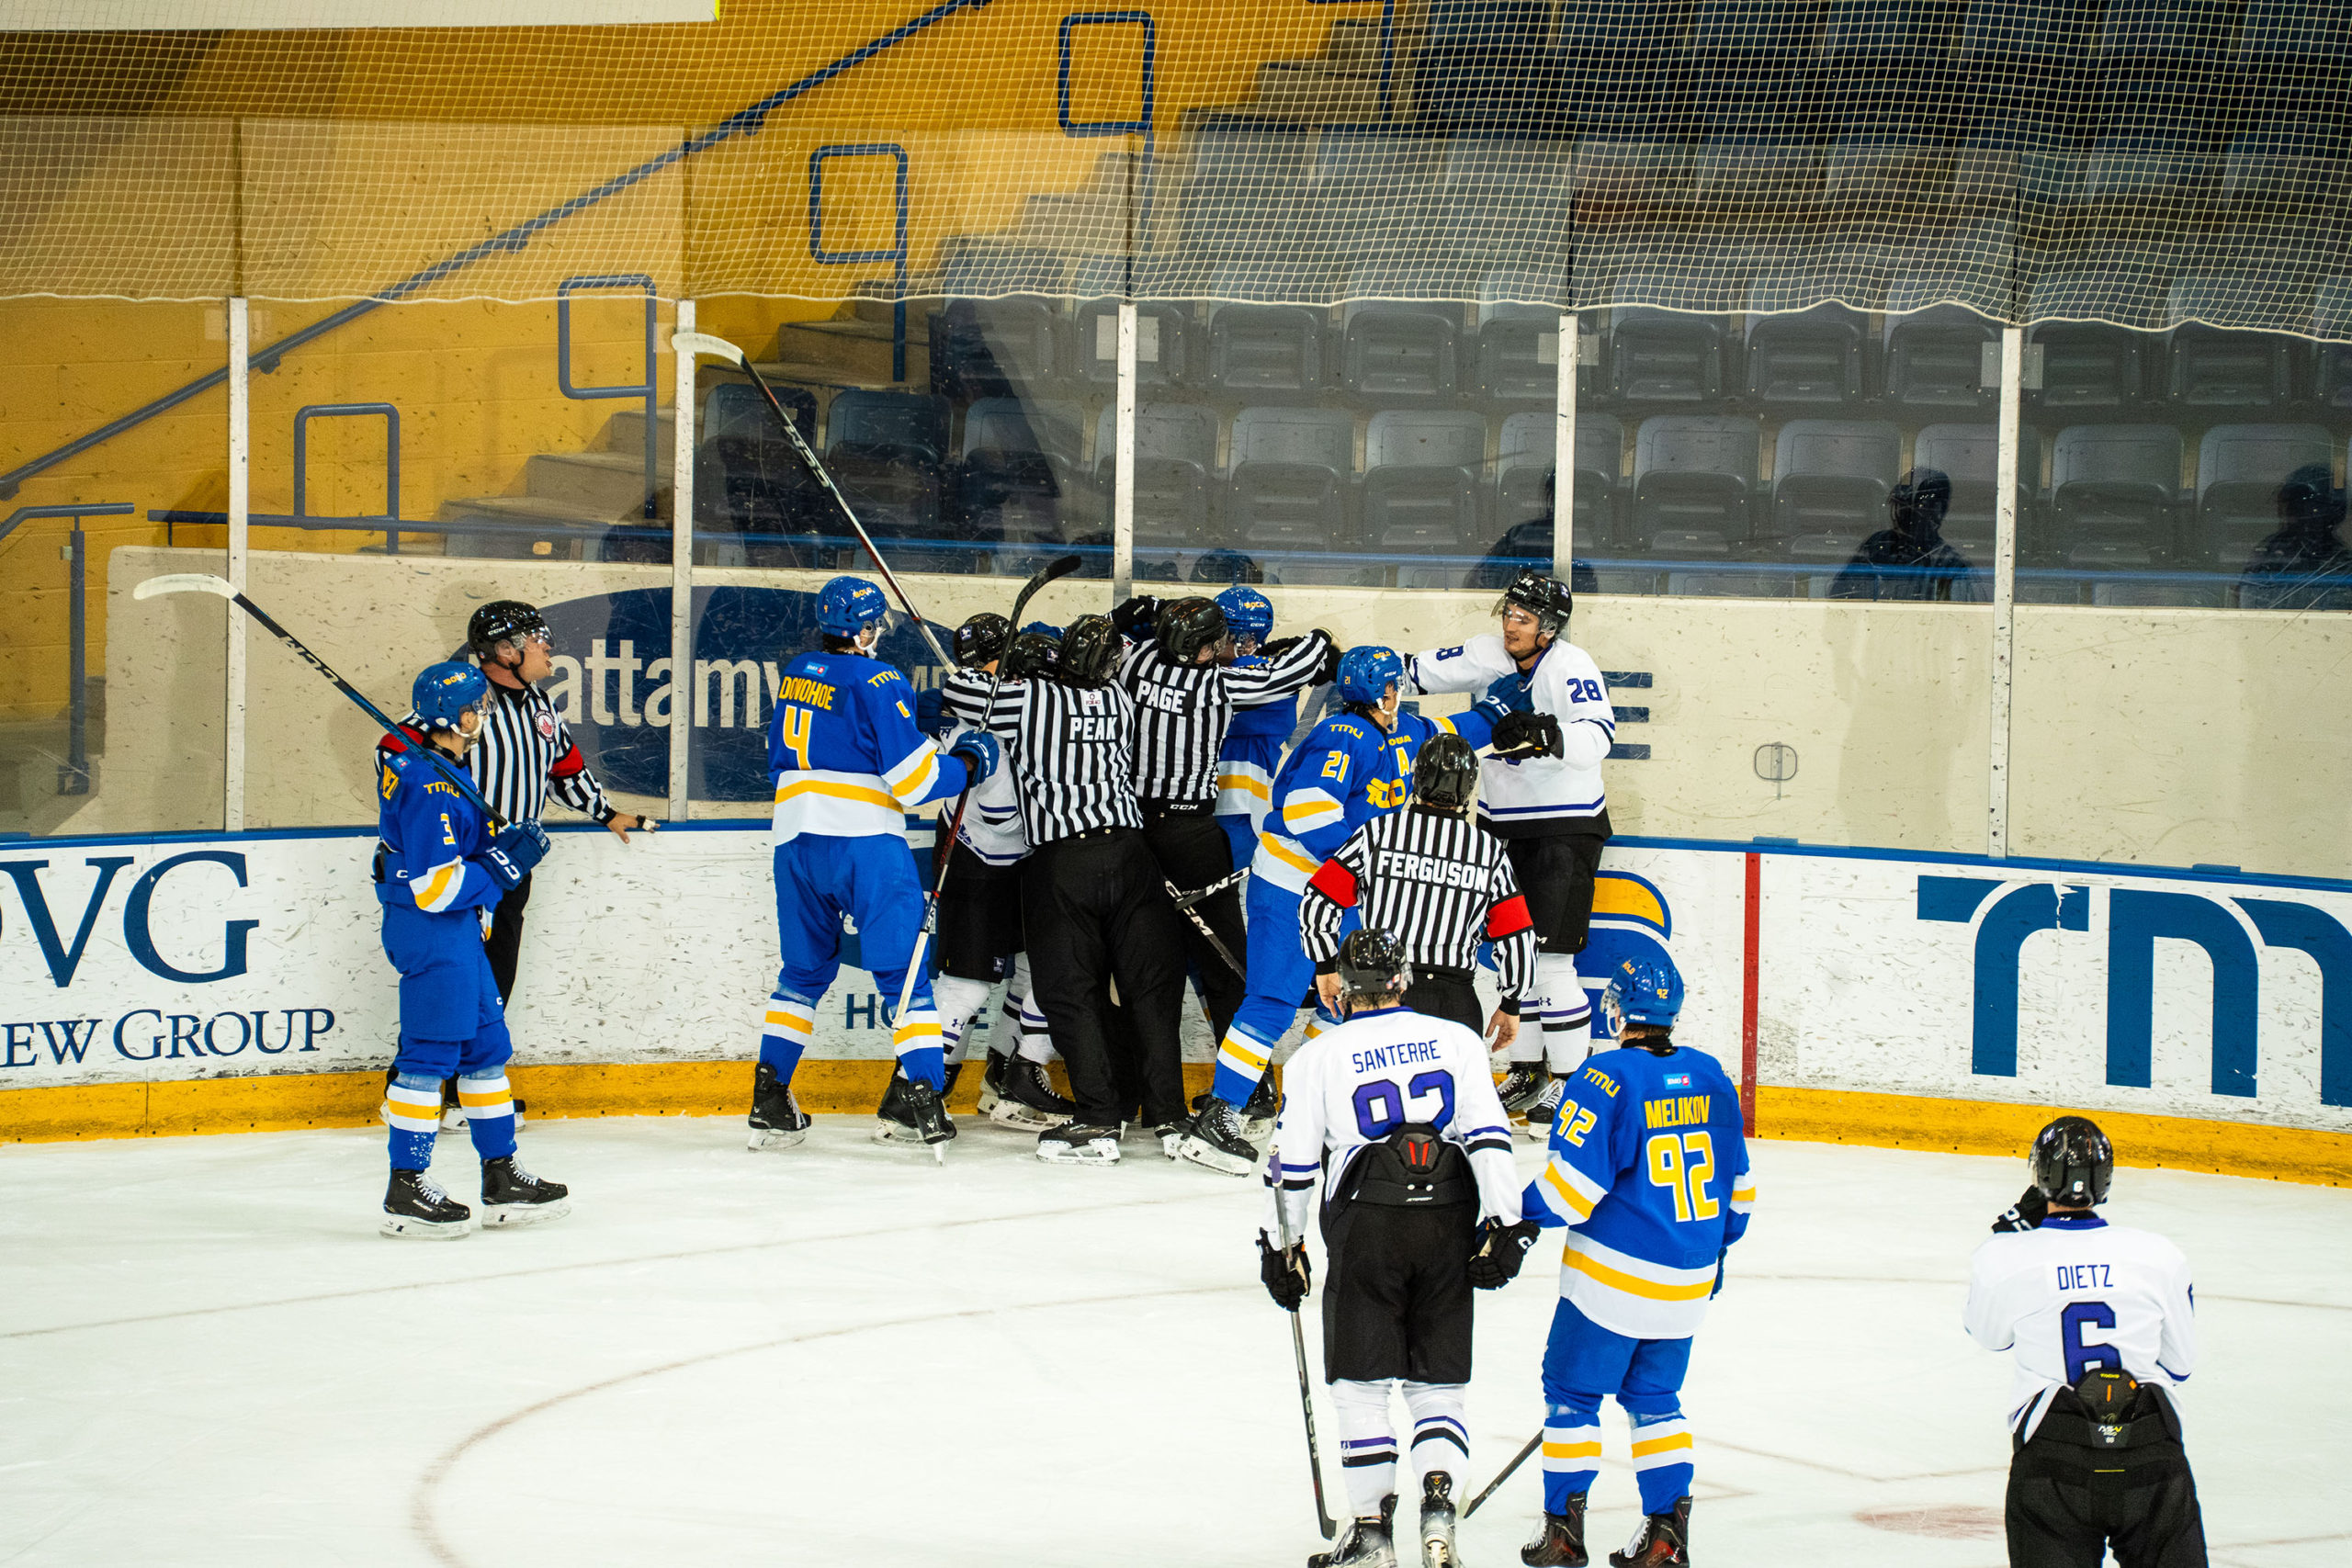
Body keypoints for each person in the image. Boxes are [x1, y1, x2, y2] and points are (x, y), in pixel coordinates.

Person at [1179, 646, 1532, 1178]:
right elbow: (1306, 810)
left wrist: (1511, 700)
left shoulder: (1406, 730)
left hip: (1346, 888)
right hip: (1293, 884)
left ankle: (1302, 1108)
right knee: (1273, 1001)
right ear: (1386, 691)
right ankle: (1218, 1114)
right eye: (1396, 686)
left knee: (1343, 1002)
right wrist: (1367, 864)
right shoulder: (1341, 736)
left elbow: (1458, 729)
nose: (1400, 694)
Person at [1259, 927, 1532, 1568]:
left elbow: (1292, 1167)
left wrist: (1283, 1245)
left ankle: (1371, 1533)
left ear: (1342, 991)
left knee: (1360, 1385)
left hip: (1367, 1222)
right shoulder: (1457, 1040)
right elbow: (1490, 1135)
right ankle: (1438, 1507)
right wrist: (1506, 1224)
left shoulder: (1316, 1057)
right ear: (1403, 980)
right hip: (1448, 1218)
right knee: (1437, 1386)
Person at [748, 575, 1002, 1154]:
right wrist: (967, 762)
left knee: (802, 976)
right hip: (865, 845)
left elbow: (809, 747)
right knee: (904, 979)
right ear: (864, 629)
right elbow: (915, 782)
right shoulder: (879, 676)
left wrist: (921, 711)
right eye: (875, 625)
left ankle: (768, 1096)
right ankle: (926, 1102)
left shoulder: (797, 671)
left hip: (795, 843)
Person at [1516, 953, 1753, 1568]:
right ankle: (1666, 1535)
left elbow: (1569, 1193)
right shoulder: (1714, 1076)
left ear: (1617, 1008)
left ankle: (1563, 1535)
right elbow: (1741, 1196)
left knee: (1571, 1395)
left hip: (1611, 1284)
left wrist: (1510, 1212)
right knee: (1656, 1400)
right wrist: (1713, 1257)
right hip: (1688, 1282)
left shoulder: (1606, 1076)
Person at [949, 613, 1193, 1165]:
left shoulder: (1030, 698)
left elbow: (963, 690)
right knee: (1150, 993)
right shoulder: (1121, 701)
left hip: (1063, 863)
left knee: (1071, 994)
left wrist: (999, 672)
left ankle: (1100, 1119)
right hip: (1132, 857)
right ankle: (1169, 1116)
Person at [1405, 570, 1617, 1130]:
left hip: (1562, 830)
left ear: (1549, 628)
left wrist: (1548, 732)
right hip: (1499, 831)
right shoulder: (1487, 654)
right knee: (1511, 957)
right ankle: (1528, 1070)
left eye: (1523, 618)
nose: (1511, 625)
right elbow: (1411, 673)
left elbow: (1599, 735)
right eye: (1508, 613)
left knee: (1550, 964)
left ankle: (1577, 1086)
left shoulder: (1571, 666)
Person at [373, 660, 569, 1237]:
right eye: (476, 708)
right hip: (432, 930)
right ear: (452, 717)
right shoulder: (427, 784)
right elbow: (436, 889)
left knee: (486, 1048)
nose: (483, 714)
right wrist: (505, 863)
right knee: (428, 1057)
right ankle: (405, 1188)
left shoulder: (441, 759)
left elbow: (399, 745)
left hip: (457, 932)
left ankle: (500, 1175)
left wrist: (494, 840)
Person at [1966, 1117, 2207, 1568]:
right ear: (2106, 1180)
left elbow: (1989, 1336)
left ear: (2039, 1180)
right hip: (2150, 1455)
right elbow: (2180, 1365)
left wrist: (2008, 1233)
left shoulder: (2004, 1257)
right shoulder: (2159, 1255)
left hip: (2054, 1456)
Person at [1112, 592, 1335, 1052]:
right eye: (1232, 637)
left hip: (1229, 839)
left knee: (1222, 965)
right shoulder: (1229, 682)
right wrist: (1308, 650)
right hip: (1189, 835)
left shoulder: (1163, 668)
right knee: (1171, 965)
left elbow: (1263, 705)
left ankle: (1244, 1086)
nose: (1241, 647)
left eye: (1254, 639)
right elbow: (1244, 689)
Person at [461, 600, 655, 1008]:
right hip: (460, 863)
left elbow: (565, 772)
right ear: (507, 651)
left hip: (512, 864)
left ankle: (475, 1069)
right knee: (453, 980)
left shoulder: (541, 706)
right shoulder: (462, 699)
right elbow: (398, 754)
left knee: (495, 984)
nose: (548, 647)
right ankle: (430, 1070)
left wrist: (604, 812)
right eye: (538, 640)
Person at [931, 612, 1072, 1130]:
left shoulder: (979, 703)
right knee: (966, 985)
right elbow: (1007, 820)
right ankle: (917, 1092)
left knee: (1040, 968)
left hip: (995, 862)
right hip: (982, 864)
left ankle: (1004, 1083)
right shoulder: (989, 725)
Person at [1300, 732, 1535, 1043]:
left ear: (1418, 777)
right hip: (1453, 1003)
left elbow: (1318, 900)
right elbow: (1518, 936)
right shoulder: (1487, 851)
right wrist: (1512, 1001)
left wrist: (1326, 964)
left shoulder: (1379, 833)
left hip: (1379, 995)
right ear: (1467, 787)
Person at [1212, 584, 1335, 870]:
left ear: (1241, 637)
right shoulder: (1273, 679)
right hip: (1227, 811)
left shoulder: (1260, 683)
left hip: (1234, 811)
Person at [1826, 468, 1985, 603]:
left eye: (1908, 507)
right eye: (1898, 504)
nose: (1899, 513)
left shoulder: (1951, 564)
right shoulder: (1876, 545)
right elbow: (1840, 597)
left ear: (1937, 511)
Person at [2238, 462, 2352, 612]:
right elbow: (2249, 605)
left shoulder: (2342, 561)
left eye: (2312, 505)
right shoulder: (2271, 550)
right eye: (2291, 504)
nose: (2291, 511)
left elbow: (2339, 617)